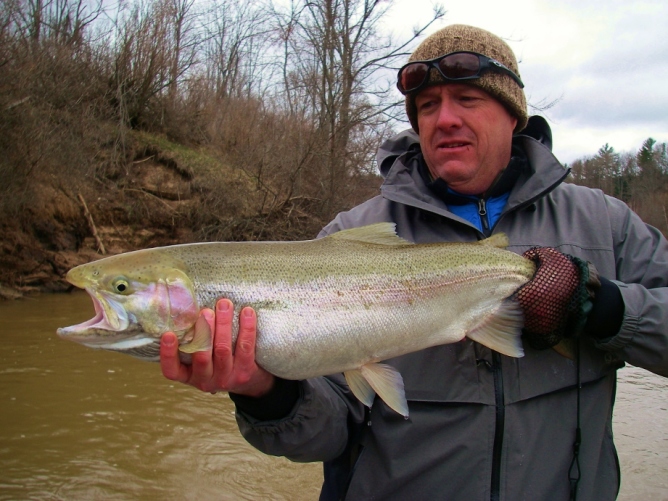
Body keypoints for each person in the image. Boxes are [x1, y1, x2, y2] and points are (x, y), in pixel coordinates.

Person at [159, 24, 668, 500]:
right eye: (427, 105)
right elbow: (324, 435)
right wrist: (263, 392)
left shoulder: (606, 225)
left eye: (467, 99)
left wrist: (604, 308)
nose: (444, 118)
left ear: (513, 114)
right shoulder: (345, 241)